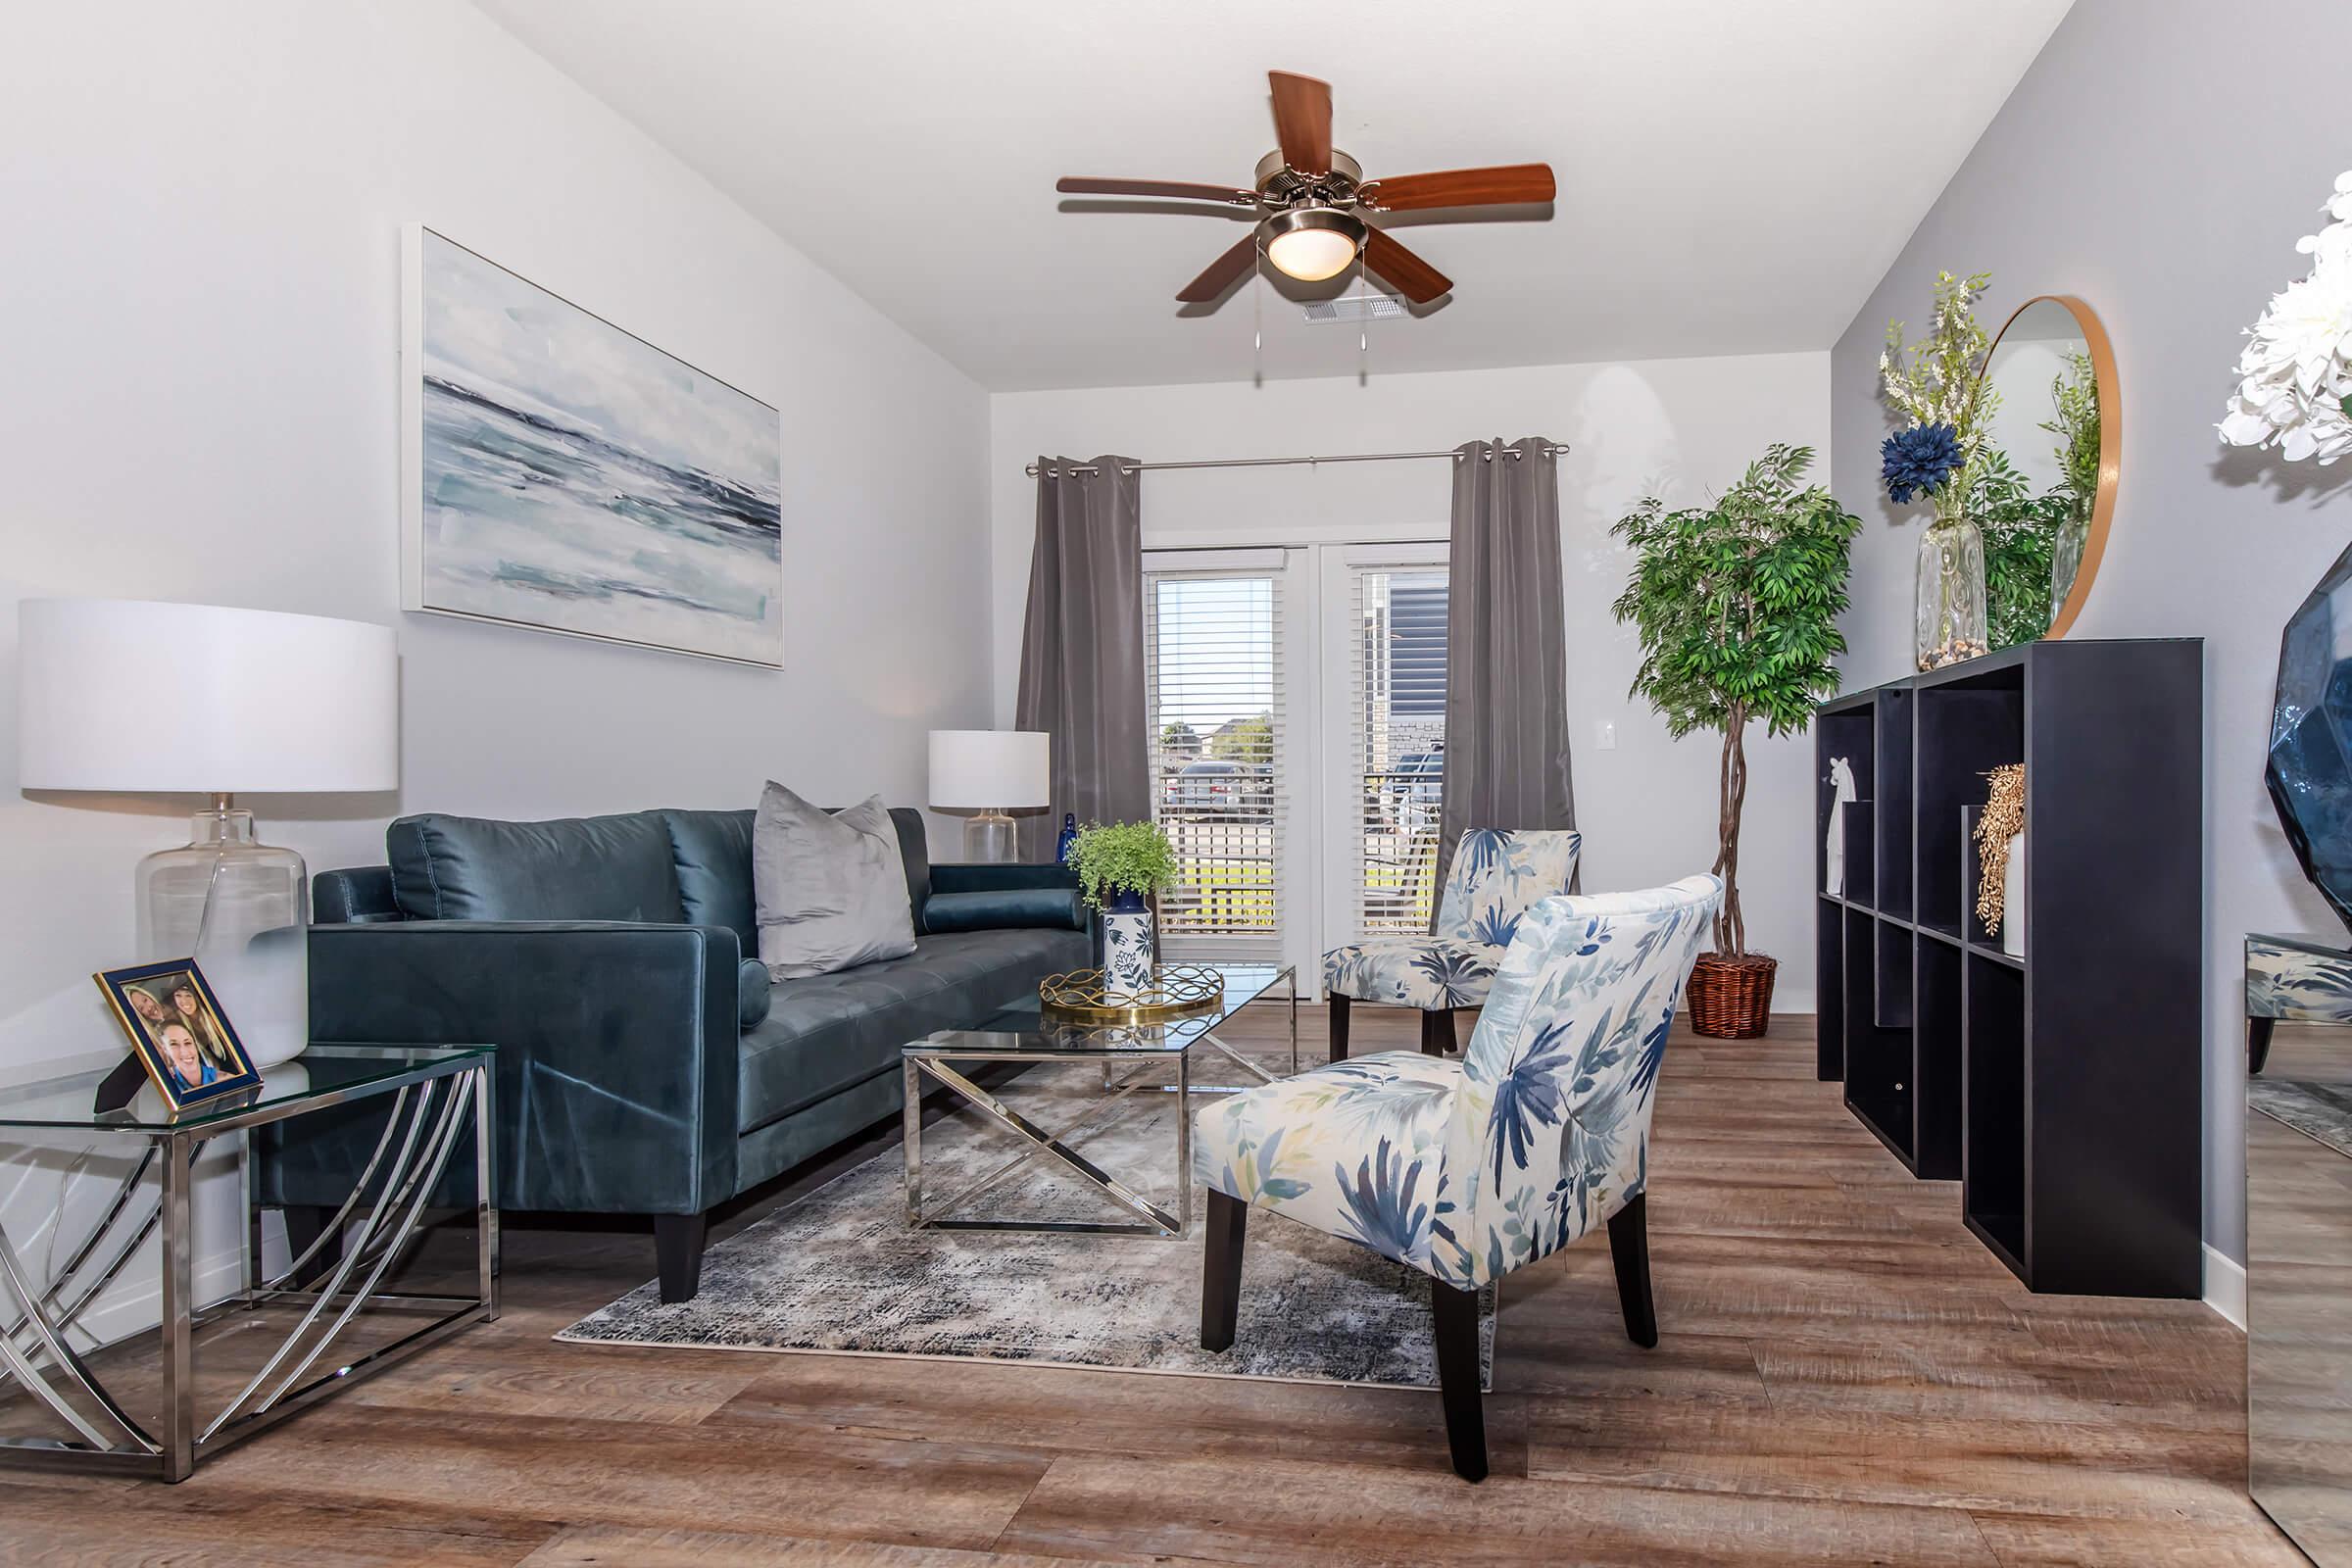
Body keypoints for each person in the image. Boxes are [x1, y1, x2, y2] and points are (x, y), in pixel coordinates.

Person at [167, 978, 237, 1072]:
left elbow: (233, 1052)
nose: (184, 1001)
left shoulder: (212, 1018)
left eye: (188, 995)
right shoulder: (180, 1025)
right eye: (178, 995)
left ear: (196, 997)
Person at [156, 1020, 217, 1095]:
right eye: (174, 1044)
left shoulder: (223, 1079)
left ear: (195, 1045)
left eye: (187, 1043)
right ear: (165, 1050)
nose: (184, 1051)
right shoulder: (168, 1091)